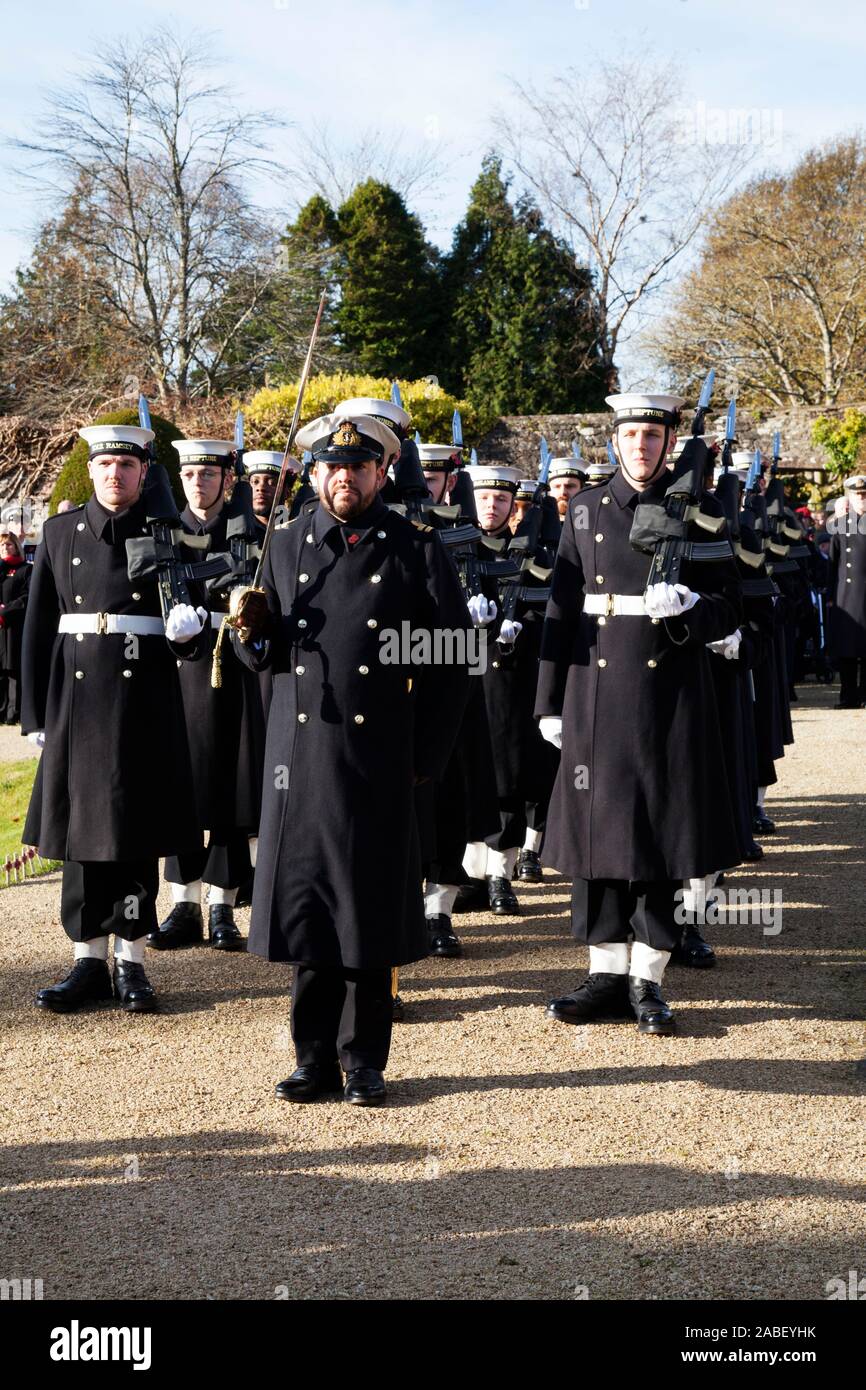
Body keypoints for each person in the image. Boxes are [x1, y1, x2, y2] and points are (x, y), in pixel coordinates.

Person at [229, 409, 472, 1105]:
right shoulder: (284, 542)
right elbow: (263, 653)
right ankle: (312, 1058)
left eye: (359, 467)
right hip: (300, 758)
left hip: (375, 756)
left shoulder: (413, 546)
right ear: (313, 474)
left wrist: (422, 755)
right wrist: (250, 631)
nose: (345, 477)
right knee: (308, 913)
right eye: (333, 467)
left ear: (380, 472)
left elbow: (453, 657)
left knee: (366, 914)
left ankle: (363, 1059)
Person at [537, 393, 742, 1036]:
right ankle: (604, 973)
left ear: (668, 441)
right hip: (594, 689)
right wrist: (547, 702)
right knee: (599, 833)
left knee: (659, 832)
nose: (641, 446)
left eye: (653, 435)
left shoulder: (701, 510)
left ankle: (648, 977)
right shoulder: (585, 509)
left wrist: (691, 606)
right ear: (614, 440)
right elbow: (561, 611)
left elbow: (735, 606)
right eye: (631, 434)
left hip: (669, 691)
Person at [22, 423, 206, 1014]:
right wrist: (34, 712)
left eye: (127, 466)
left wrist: (187, 636)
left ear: (144, 473)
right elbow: (36, 629)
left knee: (134, 834)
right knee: (80, 839)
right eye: (105, 464)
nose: (114, 475)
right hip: (79, 705)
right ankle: (87, 961)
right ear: (92, 469)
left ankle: (131, 960)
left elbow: (191, 626)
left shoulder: (168, 536)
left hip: (143, 701)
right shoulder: (58, 533)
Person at [147, 439, 265, 952]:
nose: (198, 482)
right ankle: (184, 904)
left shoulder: (251, 535)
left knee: (232, 790)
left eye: (208, 474)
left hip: (236, 668)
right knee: (182, 788)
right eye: (191, 474)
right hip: (184, 673)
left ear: (225, 480)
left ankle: (222, 905)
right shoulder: (163, 535)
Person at [464, 463, 560, 907]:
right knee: (466, 778)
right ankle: (468, 874)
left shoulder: (531, 556)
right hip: (463, 676)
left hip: (510, 680)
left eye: (501, 499)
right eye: (484, 497)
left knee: (510, 777)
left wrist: (519, 627)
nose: (492, 506)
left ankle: (500, 874)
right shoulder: (455, 549)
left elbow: (549, 613)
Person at [828, 474, 866, 708]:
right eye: (858, 496)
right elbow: (832, 564)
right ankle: (849, 696)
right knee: (848, 650)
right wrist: (832, 596)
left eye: (865, 495)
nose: (862, 500)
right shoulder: (841, 528)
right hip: (847, 595)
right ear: (850, 498)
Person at [0, 532, 31, 724]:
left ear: (16, 547)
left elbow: (27, 598)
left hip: (14, 628)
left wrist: (4, 613)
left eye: (9, 545)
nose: (5, 548)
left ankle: (14, 713)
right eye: (2, 546)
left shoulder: (25, 570)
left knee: (13, 671)